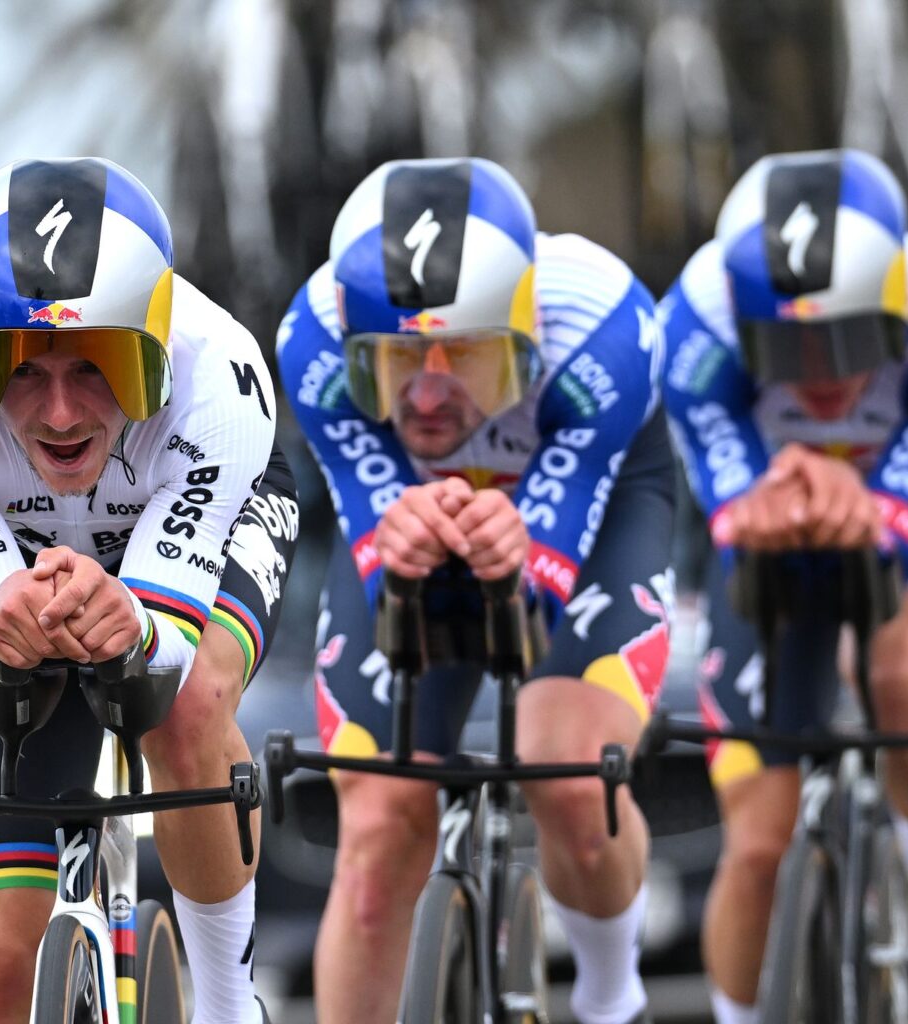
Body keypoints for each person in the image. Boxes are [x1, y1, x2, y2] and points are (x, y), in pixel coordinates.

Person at [0, 156, 297, 1024]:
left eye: (97, 365)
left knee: (181, 708)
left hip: (200, 525)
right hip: (10, 556)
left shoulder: (218, 377)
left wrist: (140, 629)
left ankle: (230, 1003)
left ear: (154, 348)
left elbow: (160, 654)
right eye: (22, 370)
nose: (64, 414)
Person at [279, 156, 673, 1024]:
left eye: (465, 357)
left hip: (588, 511)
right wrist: (397, 541)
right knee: (378, 828)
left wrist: (525, 550)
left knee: (570, 777)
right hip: (413, 512)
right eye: (395, 360)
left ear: (525, 329)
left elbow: (542, 578)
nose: (427, 394)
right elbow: (380, 545)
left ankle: (614, 996)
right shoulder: (309, 340)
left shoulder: (605, 328)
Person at [658, 148, 908, 1024]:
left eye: (852, 338)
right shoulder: (695, 321)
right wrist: (767, 501)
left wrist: (866, 500)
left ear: (896, 307)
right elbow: (736, 510)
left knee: (897, 671)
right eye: (788, 346)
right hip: (775, 543)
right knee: (759, 842)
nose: (821, 375)